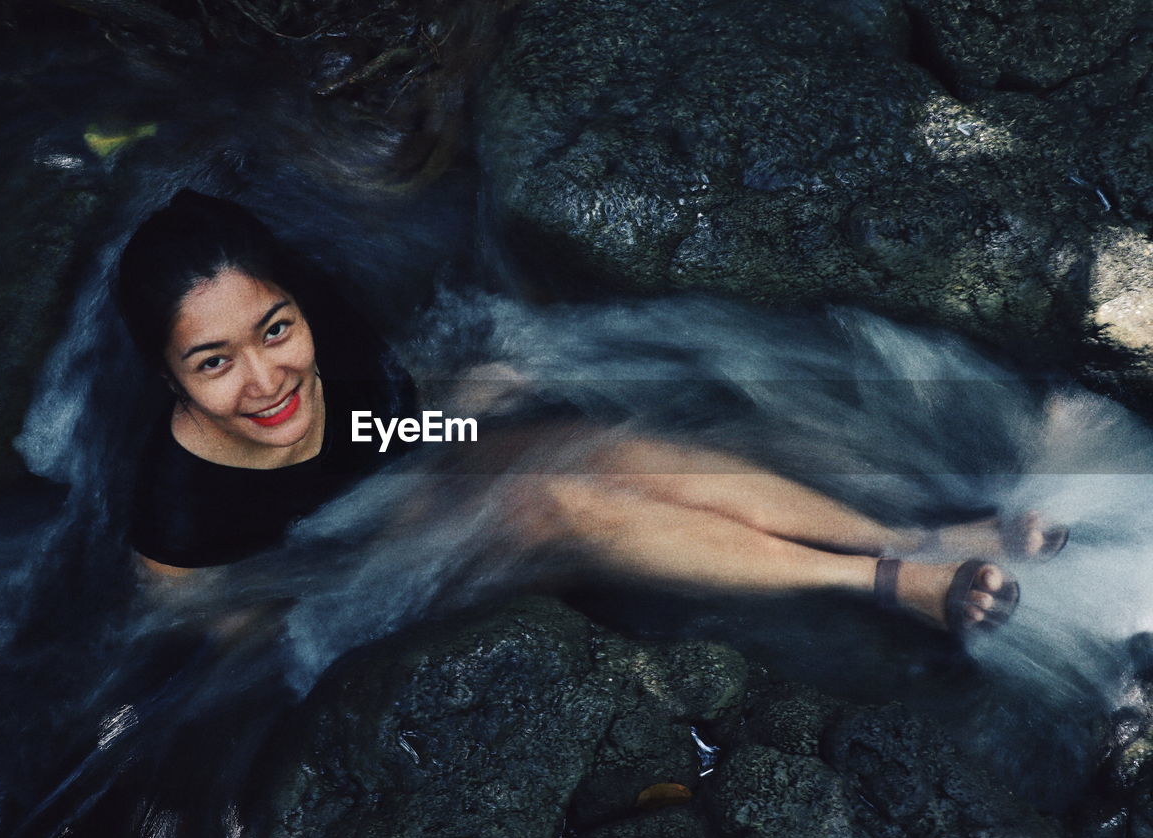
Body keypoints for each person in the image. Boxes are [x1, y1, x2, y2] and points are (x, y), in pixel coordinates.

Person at [114, 190, 1068, 639]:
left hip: (397, 478)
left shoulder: (331, 331)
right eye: (213, 362)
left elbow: (382, 427)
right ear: (170, 380)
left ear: (292, 303)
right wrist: (367, 587)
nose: (266, 377)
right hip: (350, 583)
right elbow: (222, 625)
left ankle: (918, 530)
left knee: (600, 452)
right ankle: (887, 580)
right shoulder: (176, 508)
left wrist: (463, 415)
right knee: (557, 506)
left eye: (273, 329)